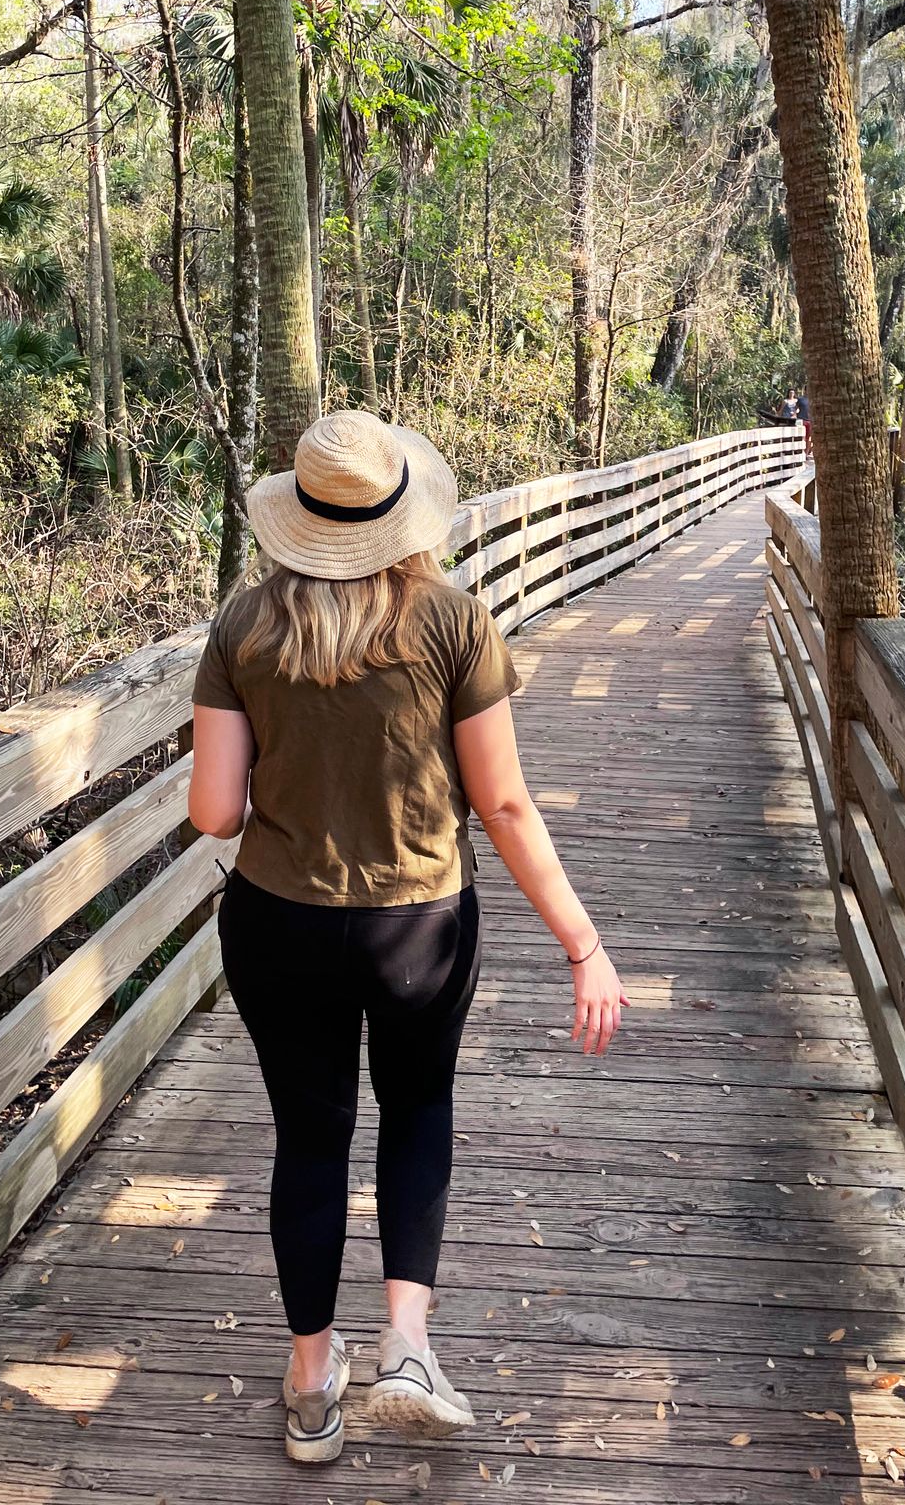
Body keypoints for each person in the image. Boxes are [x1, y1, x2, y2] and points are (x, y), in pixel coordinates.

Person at [187, 409, 627, 1465]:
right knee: (417, 1107)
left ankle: (309, 1390)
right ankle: (409, 1349)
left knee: (310, 1136)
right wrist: (582, 943)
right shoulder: (454, 623)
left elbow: (212, 813)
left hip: (279, 924)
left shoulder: (244, 627)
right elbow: (507, 807)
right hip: (418, 927)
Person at [796, 388, 812, 456]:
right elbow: (795, 408)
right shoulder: (800, 399)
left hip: (809, 420)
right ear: (805, 390)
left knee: (808, 437)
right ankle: (800, 452)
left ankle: (806, 453)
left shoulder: (812, 400)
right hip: (800, 420)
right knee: (800, 436)